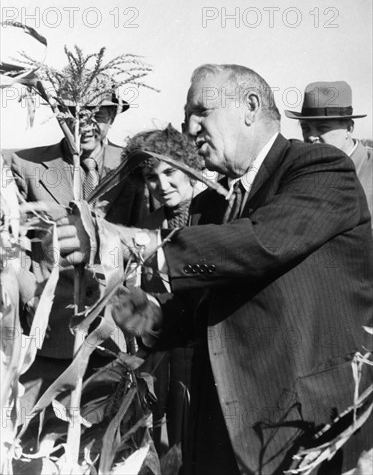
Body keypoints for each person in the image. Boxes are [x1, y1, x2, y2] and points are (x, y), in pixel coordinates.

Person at [57, 65, 373, 475]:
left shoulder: (319, 169)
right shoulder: (211, 206)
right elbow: (195, 314)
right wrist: (140, 313)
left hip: (305, 428)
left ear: (250, 107)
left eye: (201, 111)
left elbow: (259, 243)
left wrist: (119, 240)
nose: (190, 127)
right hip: (219, 432)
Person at [10, 92, 148, 414]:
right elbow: (10, 243)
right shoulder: (26, 165)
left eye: (96, 114)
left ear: (112, 116)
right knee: (38, 442)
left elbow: (149, 238)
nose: (84, 124)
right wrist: (31, 295)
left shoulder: (135, 167)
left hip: (115, 337)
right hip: (48, 340)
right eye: (74, 112)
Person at [124, 125, 202, 461]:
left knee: (195, 440)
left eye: (170, 172)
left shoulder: (214, 215)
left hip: (201, 350)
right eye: (153, 177)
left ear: (190, 169)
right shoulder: (148, 225)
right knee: (153, 439)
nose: (163, 185)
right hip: (159, 352)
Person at [286, 81, 373, 231]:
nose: (311, 136)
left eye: (322, 128)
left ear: (349, 128)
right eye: (305, 128)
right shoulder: (298, 168)